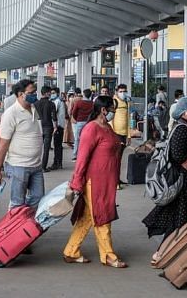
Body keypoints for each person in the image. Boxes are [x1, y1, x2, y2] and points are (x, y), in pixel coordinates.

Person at [64, 96, 128, 268]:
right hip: (95, 182)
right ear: (103, 110)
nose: (114, 112)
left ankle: (71, 251)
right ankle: (108, 255)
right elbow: (82, 159)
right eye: (112, 109)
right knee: (102, 217)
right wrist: (77, 182)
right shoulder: (91, 129)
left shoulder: (106, 127)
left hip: (107, 181)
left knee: (86, 218)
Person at [144, 97, 187, 260]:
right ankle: (162, 254)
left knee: (182, 220)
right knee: (181, 222)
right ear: (186, 113)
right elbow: (178, 155)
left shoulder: (184, 127)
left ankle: (172, 254)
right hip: (184, 183)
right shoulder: (181, 129)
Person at [0, 79, 45, 209]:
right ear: (21, 94)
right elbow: (3, 144)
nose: (35, 95)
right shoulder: (11, 114)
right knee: (17, 202)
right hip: (18, 166)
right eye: (31, 92)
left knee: (38, 197)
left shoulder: (34, 109)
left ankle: (24, 223)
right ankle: (13, 225)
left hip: (36, 164)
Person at [34, 85, 57, 172]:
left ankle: (36, 166)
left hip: (38, 127)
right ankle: (43, 167)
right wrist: (55, 127)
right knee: (46, 148)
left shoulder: (35, 104)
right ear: (47, 93)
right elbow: (54, 117)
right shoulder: (51, 104)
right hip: (48, 127)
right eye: (50, 93)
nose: (51, 94)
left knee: (37, 148)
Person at [71, 89, 94, 161]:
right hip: (89, 122)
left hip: (80, 121)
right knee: (88, 139)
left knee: (77, 139)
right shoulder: (92, 103)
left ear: (83, 94)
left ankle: (75, 155)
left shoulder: (79, 103)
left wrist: (76, 118)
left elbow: (74, 112)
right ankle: (88, 154)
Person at [50, 87, 66, 170]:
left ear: (57, 93)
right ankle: (58, 162)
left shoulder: (57, 102)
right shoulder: (60, 101)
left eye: (53, 92)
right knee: (58, 145)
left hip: (58, 126)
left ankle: (57, 163)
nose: (52, 94)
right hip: (61, 125)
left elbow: (53, 113)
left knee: (57, 145)